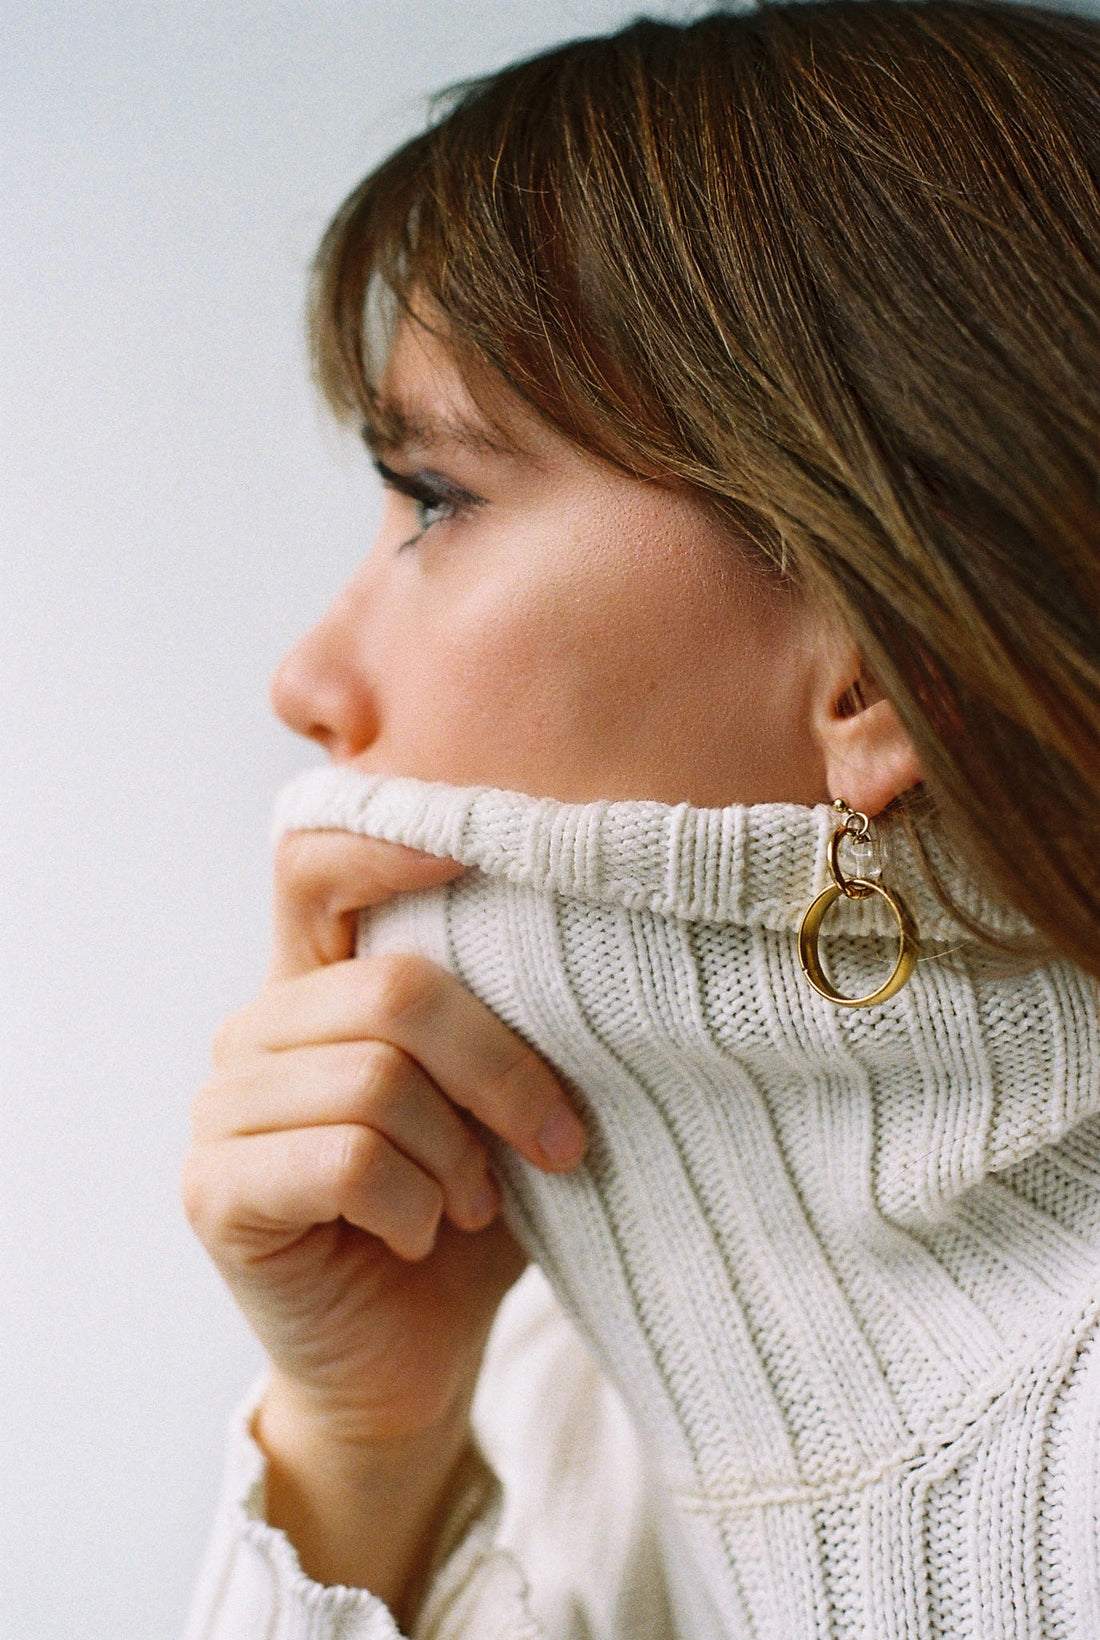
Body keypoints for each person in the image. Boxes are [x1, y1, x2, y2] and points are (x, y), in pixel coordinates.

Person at [181, 3, 1100, 1636]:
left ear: (875, 661)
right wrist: (362, 1452)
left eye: (437, 501)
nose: (307, 682)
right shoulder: (551, 1394)